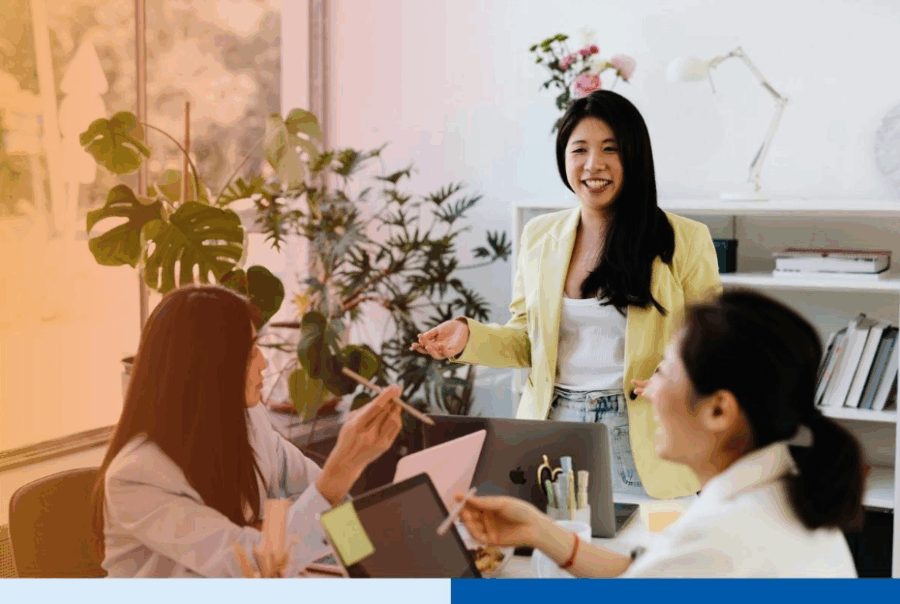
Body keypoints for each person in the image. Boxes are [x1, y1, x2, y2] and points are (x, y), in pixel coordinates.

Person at [412, 90, 721, 499]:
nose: (593, 165)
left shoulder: (685, 238)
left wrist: (675, 375)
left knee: (639, 558)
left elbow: (715, 342)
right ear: (564, 158)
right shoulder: (539, 235)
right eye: (580, 150)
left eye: (610, 149)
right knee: (548, 556)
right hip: (551, 430)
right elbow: (527, 342)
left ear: (635, 157)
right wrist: (468, 338)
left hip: (642, 435)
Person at [458, 290, 863, 577]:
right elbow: (643, 571)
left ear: (719, 410)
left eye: (664, 371)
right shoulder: (792, 495)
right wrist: (537, 529)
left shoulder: (717, 542)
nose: (647, 394)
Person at [91, 284, 403, 577]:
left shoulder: (250, 422)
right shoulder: (137, 475)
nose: (264, 363)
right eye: (251, 352)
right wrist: (342, 469)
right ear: (211, 369)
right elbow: (255, 567)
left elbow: (324, 502)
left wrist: (365, 567)